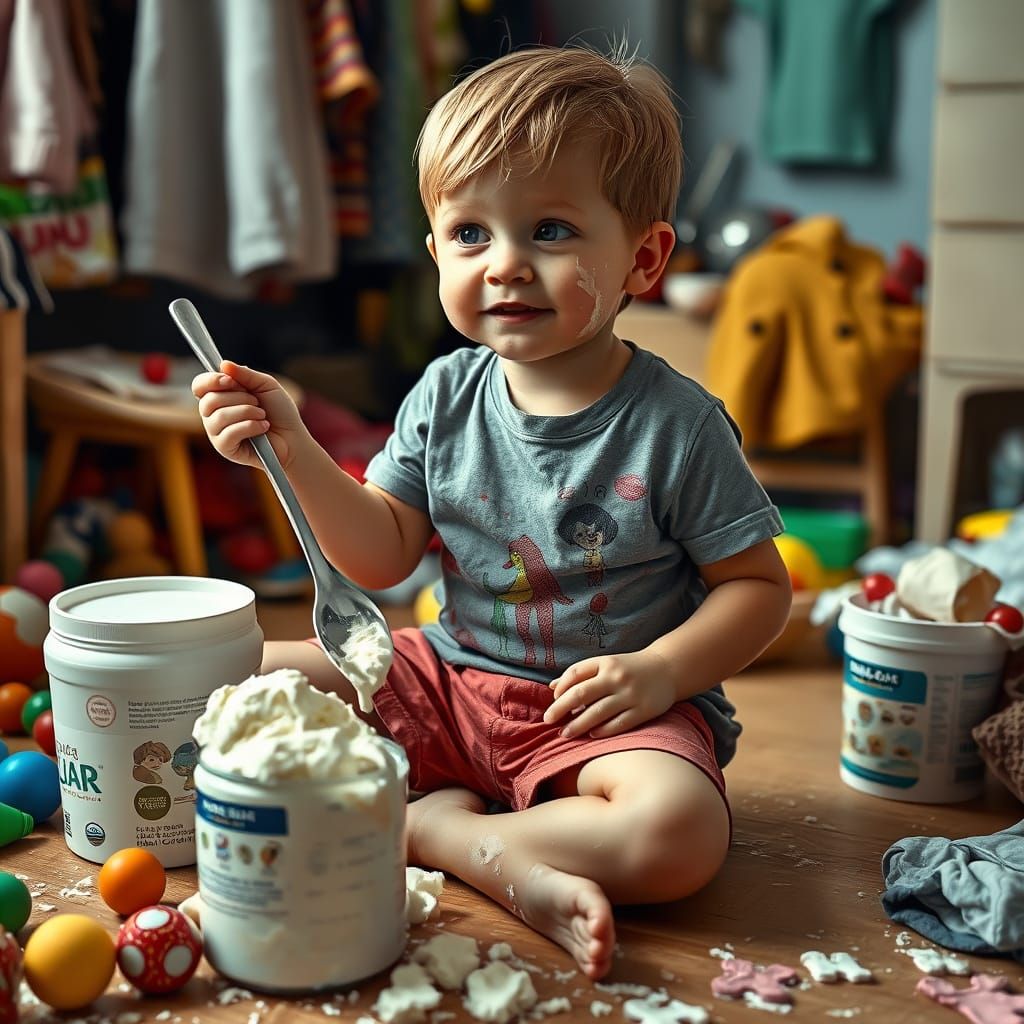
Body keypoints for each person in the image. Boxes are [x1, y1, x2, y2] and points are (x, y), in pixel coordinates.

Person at [192, 45, 791, 980]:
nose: (506, 265)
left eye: (551, 230)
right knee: (227, 674)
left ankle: (433, 830)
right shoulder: (443, 394)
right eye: (472, 235)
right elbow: (382, 556)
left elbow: (759, 588)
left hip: (599, 714)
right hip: (446, 681)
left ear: (642, 257)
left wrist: (659, 671)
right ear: (435, 253)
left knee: (677, 831)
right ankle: (501, 850)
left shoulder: (678, 425)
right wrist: (295, 444)